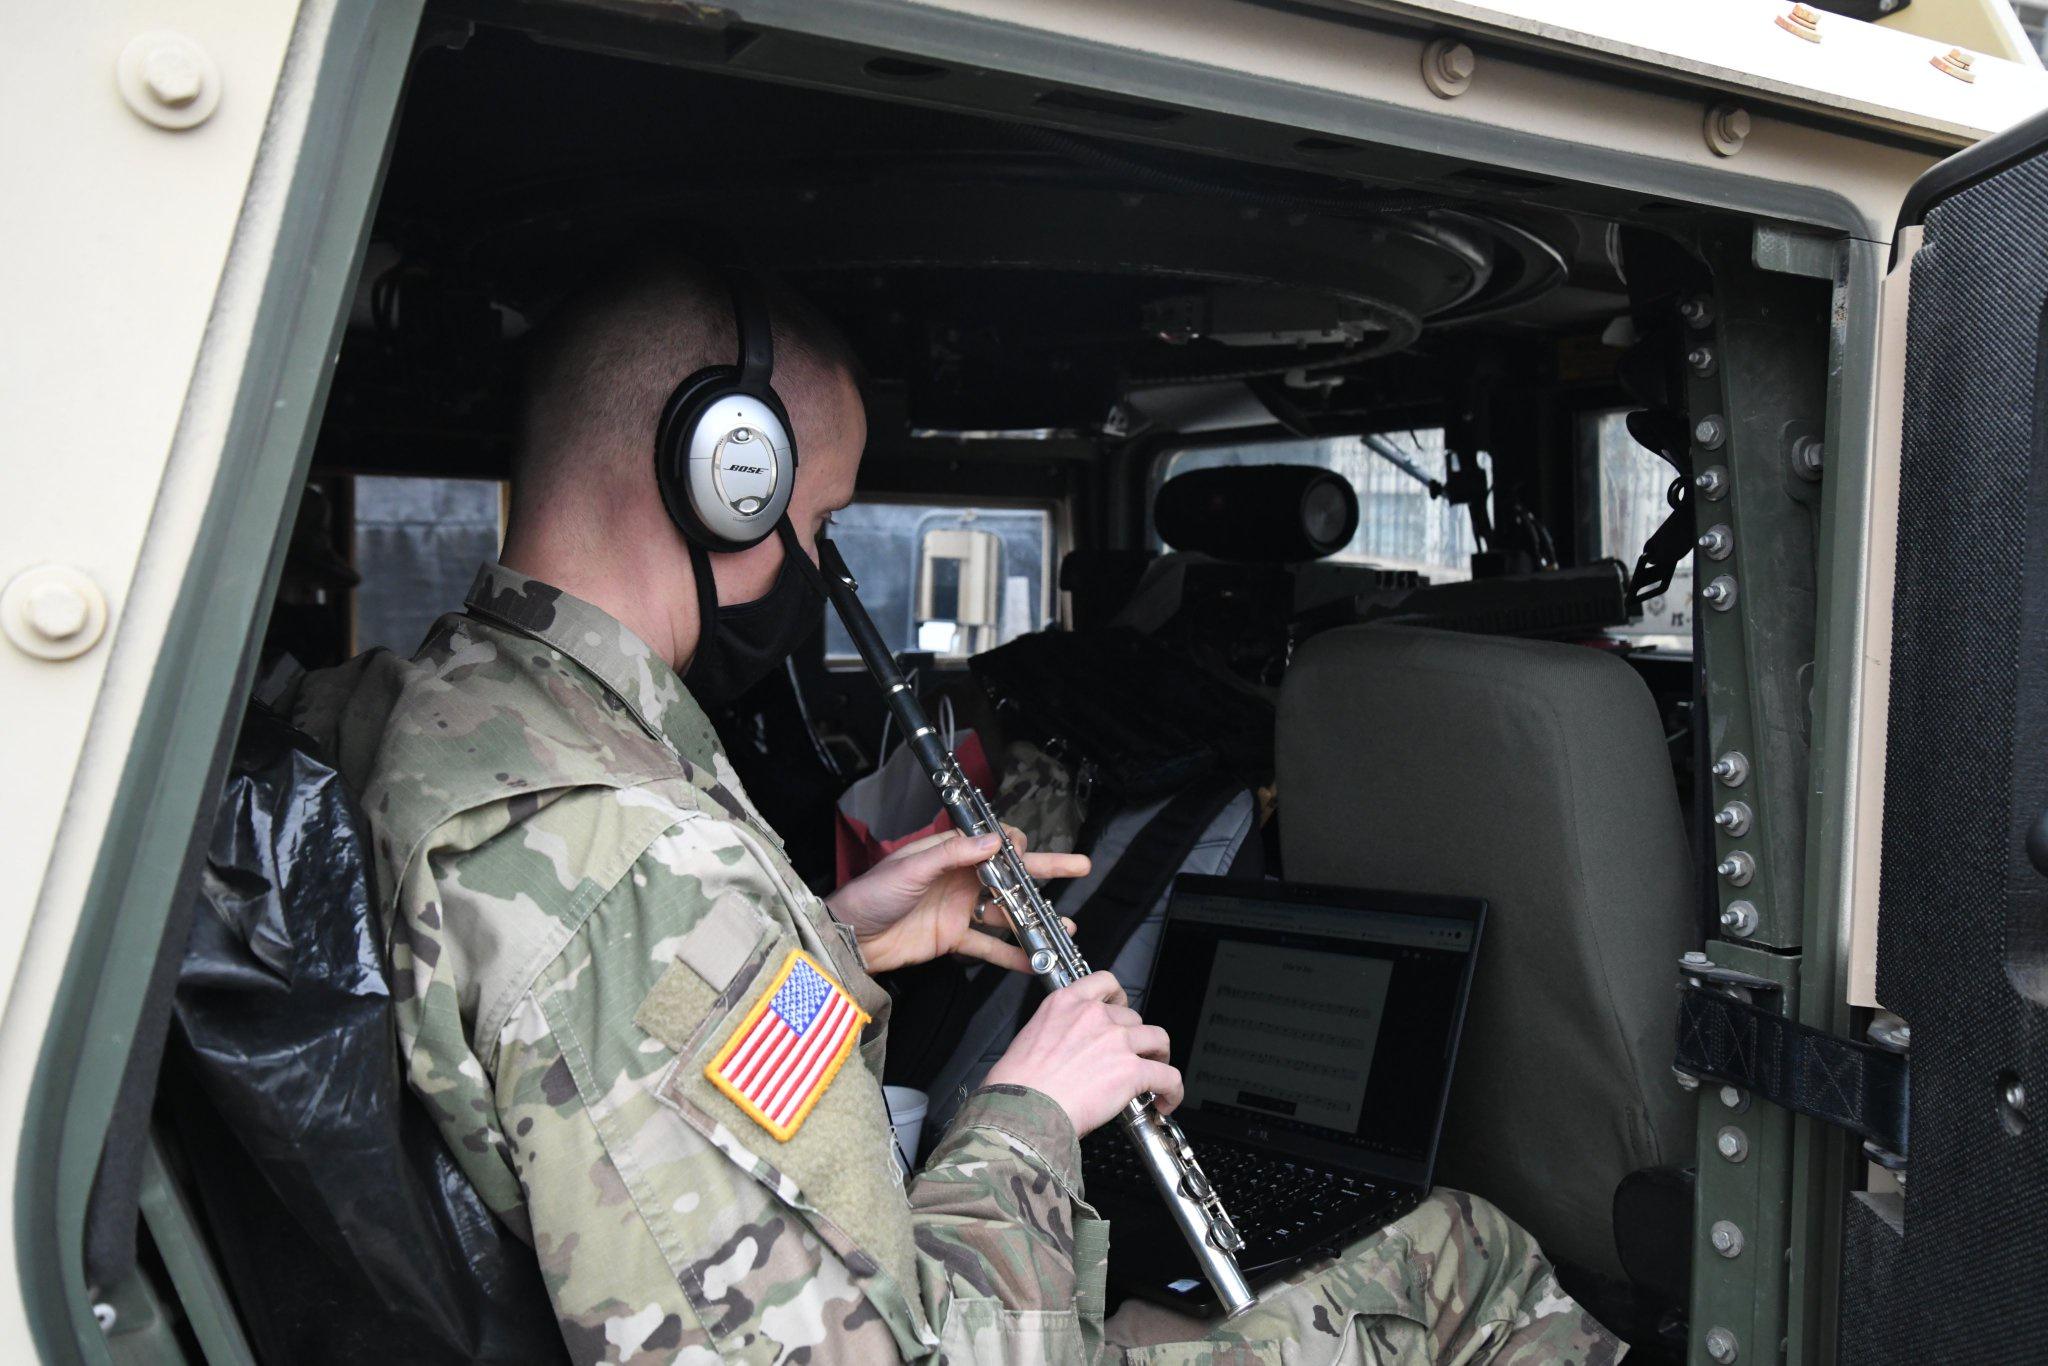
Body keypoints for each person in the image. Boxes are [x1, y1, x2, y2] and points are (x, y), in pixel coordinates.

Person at [334, 258, 1623, 1363]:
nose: (817, 567)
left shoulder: (445, 718)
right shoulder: (642, 861)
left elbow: (632, 1053)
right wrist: (1032, 1110)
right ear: (725, 478)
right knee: (1472, 1254)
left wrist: (826, 940)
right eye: (817, 522)